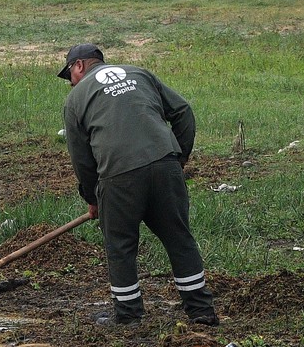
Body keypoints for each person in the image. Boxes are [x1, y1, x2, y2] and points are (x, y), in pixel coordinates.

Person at [57, 43, 219, 327]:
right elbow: (182, 112)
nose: (70, 82)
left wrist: (92, 197)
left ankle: (129, 315)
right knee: (179, 237)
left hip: (118, 176)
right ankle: (201, 311)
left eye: (69, 73)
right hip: (165, 164)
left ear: (79, 66)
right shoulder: (140, 74)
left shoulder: (76, 99)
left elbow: (81, 157)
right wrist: (177, 158)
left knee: (120, 245)